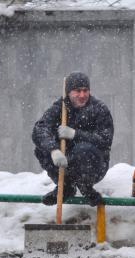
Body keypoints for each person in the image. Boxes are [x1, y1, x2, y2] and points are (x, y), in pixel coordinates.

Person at [32, 72, 114, 207]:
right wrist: (53, 150)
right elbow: (39, 130)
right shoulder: (59, 107)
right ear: (68, 92)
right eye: (77, 91)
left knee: (82, 149)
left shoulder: (99, 109)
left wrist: (76, 134)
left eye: (85, 90)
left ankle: (86, 187)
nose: (82, 95)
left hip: (95, 165)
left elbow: (105, 140)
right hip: (68, 163)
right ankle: (65, 187)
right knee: (41, 149)